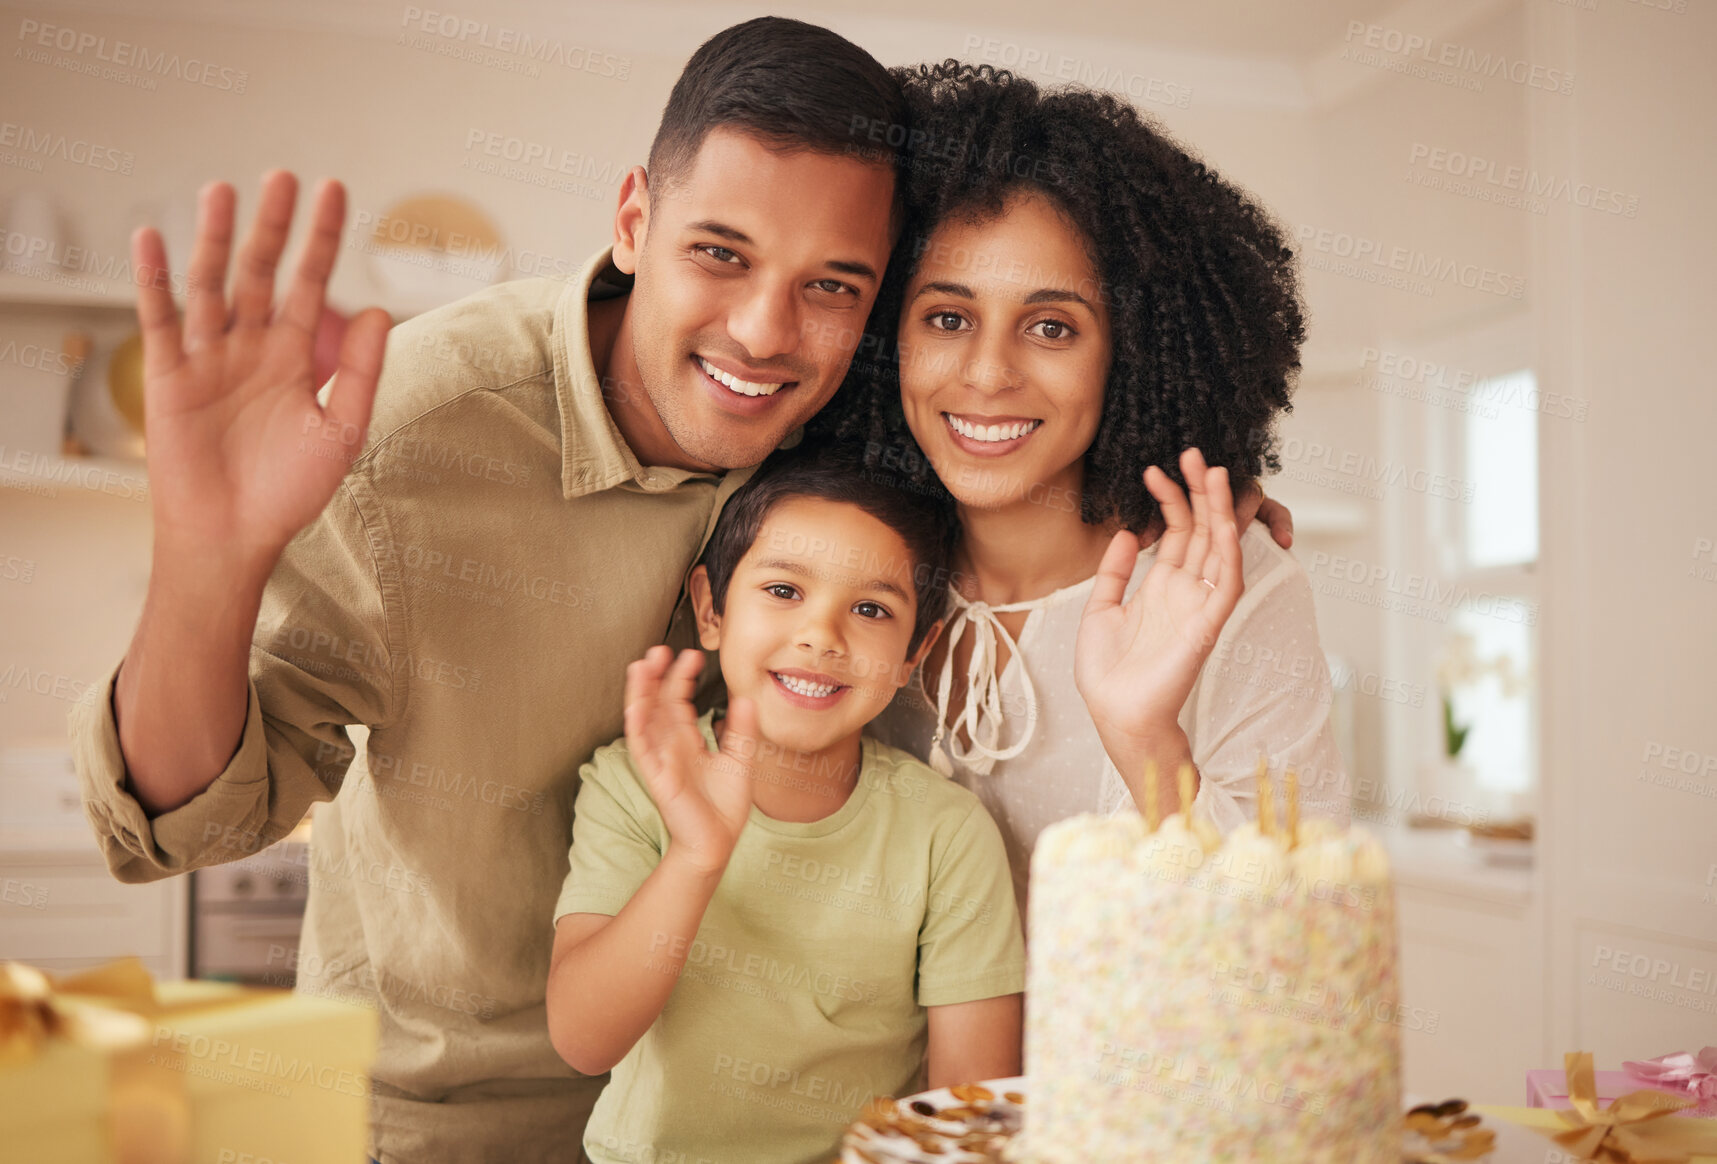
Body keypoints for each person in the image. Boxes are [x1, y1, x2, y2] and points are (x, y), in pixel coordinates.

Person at [68, 19, 912, 1162]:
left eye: (830, 285)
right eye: (720, 253)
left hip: (759, 1125)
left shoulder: (877, 430)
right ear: (632, 218)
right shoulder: (411, 429)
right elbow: (188, 823)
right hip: (464, 1124)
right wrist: (202, 563)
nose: (765, 332)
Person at [821, 62, 1348, 915]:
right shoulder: (835, 550)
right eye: (947, 318)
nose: (987, 373)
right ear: (890, 337)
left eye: (1051, 327)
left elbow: (1296, 932)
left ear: (1134, 354)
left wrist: (1143, 737)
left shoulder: (1224, 585)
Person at [546, 444, 1023, 1163]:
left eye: (869, 609)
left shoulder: (946, 832)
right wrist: (697, 855)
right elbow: (583, 1042)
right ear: (710, 609)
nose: (820, 636)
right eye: (783, 591)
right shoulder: (629, 784)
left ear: (912, 653)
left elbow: (970, 1109)